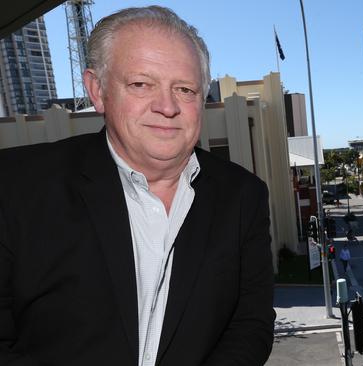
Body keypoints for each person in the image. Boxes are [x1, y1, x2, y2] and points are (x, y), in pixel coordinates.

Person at [0, 6, 275, 366]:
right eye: (141, 84)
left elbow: (250, 324)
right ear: (97, 90)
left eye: (185, 89)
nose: (166, 106)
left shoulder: (244, 196)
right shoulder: (16, 187)